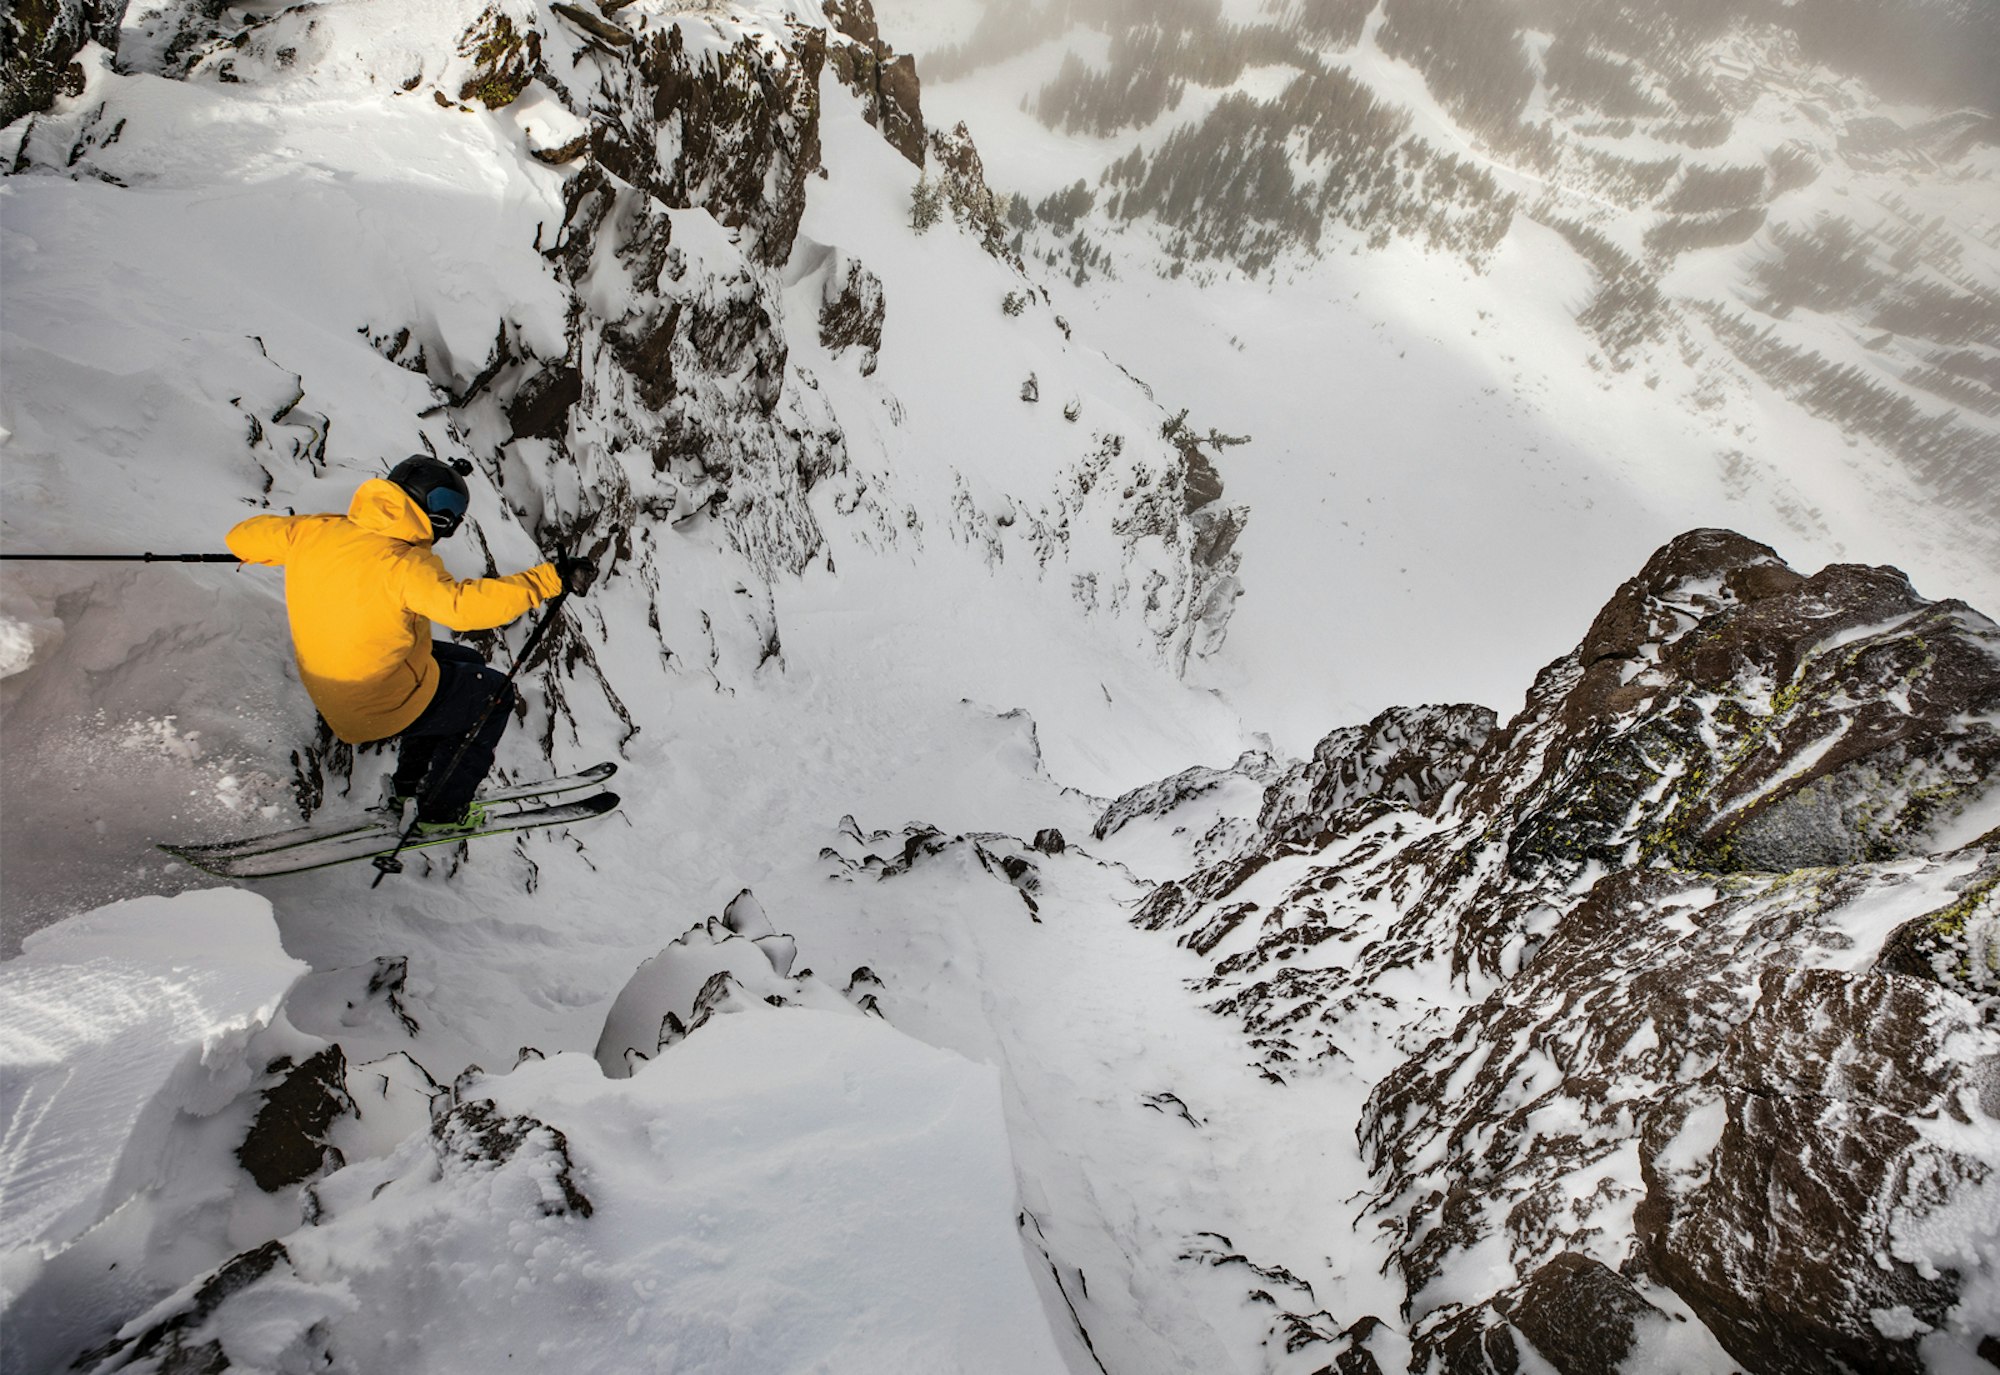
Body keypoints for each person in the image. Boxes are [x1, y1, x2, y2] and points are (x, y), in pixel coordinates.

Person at [227, 456, 565, 832]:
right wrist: (546, 581)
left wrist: (309, 537)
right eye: (450, 515)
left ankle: (410, 787)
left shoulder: (314, 532)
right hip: (373, 702)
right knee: (494, 697)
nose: (448, 528)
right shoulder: (404, 563)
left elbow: (240, 537)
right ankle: (441, 813)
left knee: (464, 661)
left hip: (334, 687)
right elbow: (463, 608)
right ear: (432, 512)